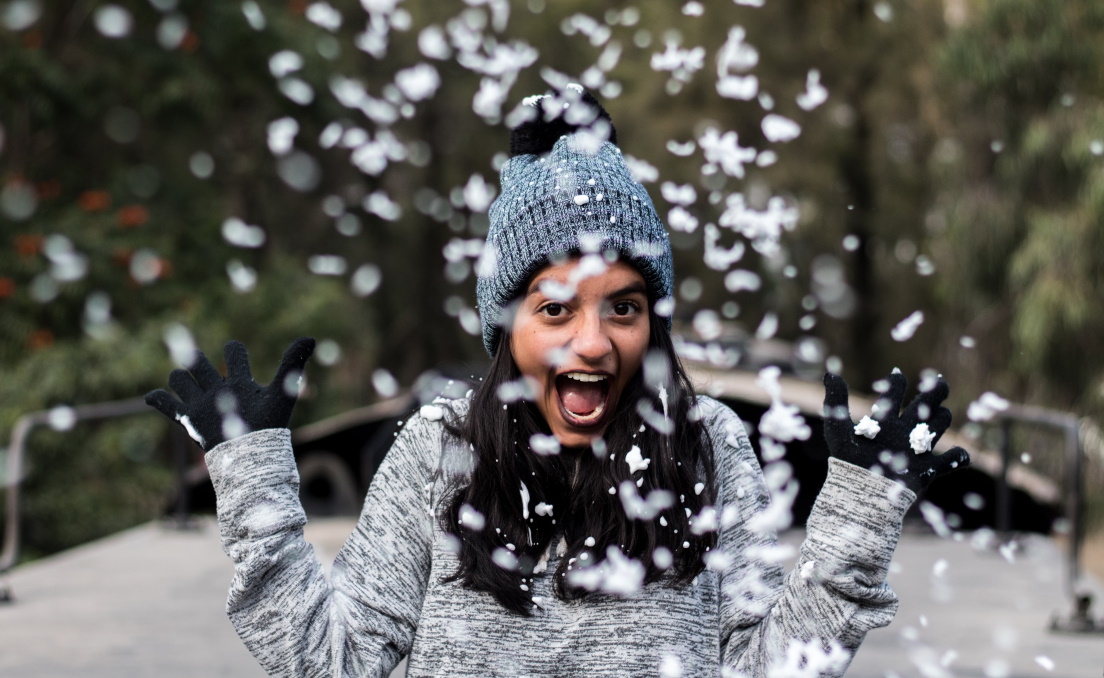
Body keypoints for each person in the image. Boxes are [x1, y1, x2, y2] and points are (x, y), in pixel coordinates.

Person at [145, 86, 970, 677]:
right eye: (554, 307)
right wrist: (253, 488)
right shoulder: (441, 449)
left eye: (624, 306)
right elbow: (334, 662)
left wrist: (859, 525)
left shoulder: (710, 444)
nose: (594, 340)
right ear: (506, 324)